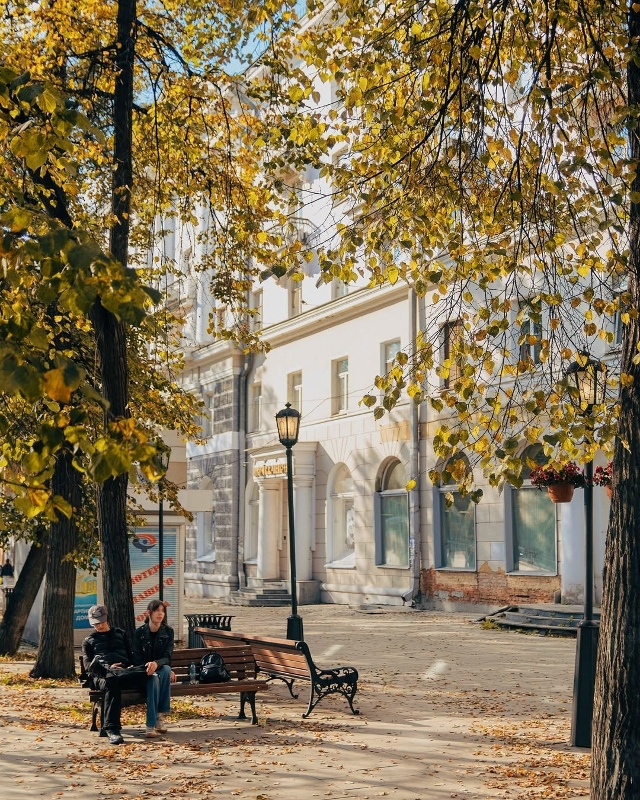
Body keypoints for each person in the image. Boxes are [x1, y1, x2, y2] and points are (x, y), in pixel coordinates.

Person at [82, 604, 147, 745]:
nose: (98, 626)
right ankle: (113, 730)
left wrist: (128, 665)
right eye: (95, 624)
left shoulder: (120, 634)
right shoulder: (88, 641)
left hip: (124, 672)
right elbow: (88, 667)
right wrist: (108, 667)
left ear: (107, 619)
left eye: (101, 622)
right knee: (112, 680)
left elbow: (131, 656)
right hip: (103, 676)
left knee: (148, 674)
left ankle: (154, 723)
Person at [132, 599, 176, 738]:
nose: (160, 614)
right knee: (153, 679)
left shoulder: (168, 632)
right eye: (157, 611)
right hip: (143, 672)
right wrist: (149, 667)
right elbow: (137, 658)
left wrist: (156, 664)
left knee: (166, 670)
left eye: (162, 611)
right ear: (149, 613)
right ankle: (152, 723)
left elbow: (167, 657)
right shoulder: (139, 633)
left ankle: (156, 719)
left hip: (160, 669)